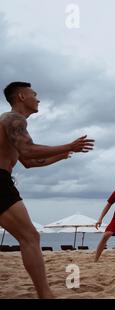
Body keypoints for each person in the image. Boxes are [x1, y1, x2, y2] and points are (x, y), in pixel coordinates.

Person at [0, 82, 94, 298]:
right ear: (22, 96)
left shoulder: (12, 122)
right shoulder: (14, 119)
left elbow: (30, 161)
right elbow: (28, 149)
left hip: (3, 179)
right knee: (30, 237)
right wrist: (68, 146)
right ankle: (45, 294)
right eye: (35, 94)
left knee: (29, 236)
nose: (38, 99)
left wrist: (61, 156)